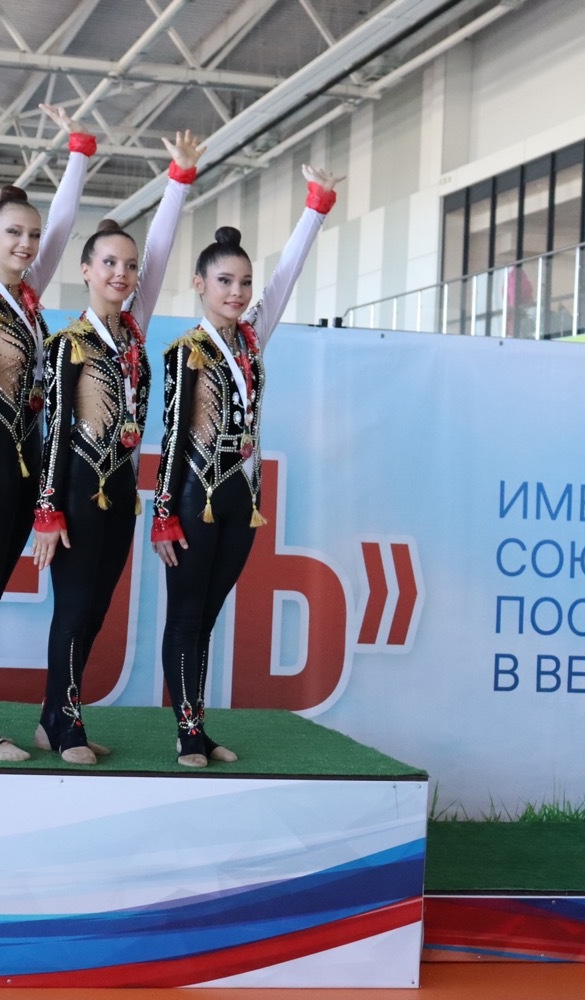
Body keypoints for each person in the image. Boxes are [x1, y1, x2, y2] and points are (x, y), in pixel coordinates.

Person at [151, 164, 342, 766]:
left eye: (244, 283)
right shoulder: (185, 351)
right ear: (199, 285)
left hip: (242, 500)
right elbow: (172, 437)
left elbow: (285, 279)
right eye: (225, 282)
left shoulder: (251, 340)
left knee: (206, 618)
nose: (237, 293)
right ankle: (186, 732)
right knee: (186, 615)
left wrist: (315, 208)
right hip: (194, 498)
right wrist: (163, 514)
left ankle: (198, 725)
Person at [30, 132, 205, 765]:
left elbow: (159, 251)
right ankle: (65, 724)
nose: (123, 274)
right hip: (76, 493)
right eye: (109, 264)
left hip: (121, 494)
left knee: (97, 610)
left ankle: (54, 717)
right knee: (75, 609)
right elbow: (54, 433)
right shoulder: (68, 344)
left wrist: (178, 180)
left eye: (129, 267)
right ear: (85, 271)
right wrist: (48, 510)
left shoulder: (133, 334)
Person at [0, 105, 96, 761]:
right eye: (14, 234)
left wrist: (77, 154)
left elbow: (62, 225)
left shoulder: (27, 309)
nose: (28, 245)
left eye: (33, 235)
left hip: (23, 465)